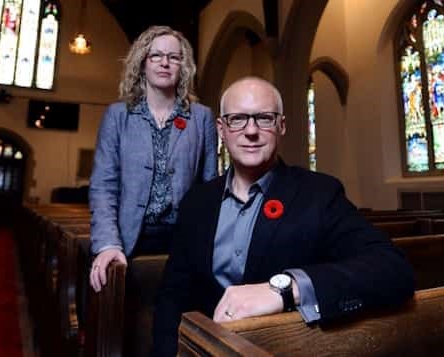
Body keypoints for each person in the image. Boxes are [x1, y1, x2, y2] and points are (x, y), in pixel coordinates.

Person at [152, 77, 414, 355]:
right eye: (238, 119)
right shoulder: (197, 203)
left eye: (264, 118)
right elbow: (172, 299)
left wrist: (288, 289)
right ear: (222, 129)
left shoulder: (319, 194)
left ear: (282, 126)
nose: (251, 130)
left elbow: (393, 271)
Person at [88, 26, 217, 292]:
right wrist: (107, 243)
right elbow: (103, 186)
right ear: (142, 62)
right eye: (156, 55)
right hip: (128, 238)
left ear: (184, 66)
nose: (165, 63)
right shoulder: (118, 115)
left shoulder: (202, 117)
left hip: (183, 239)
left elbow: (210, 188)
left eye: (174, 57)